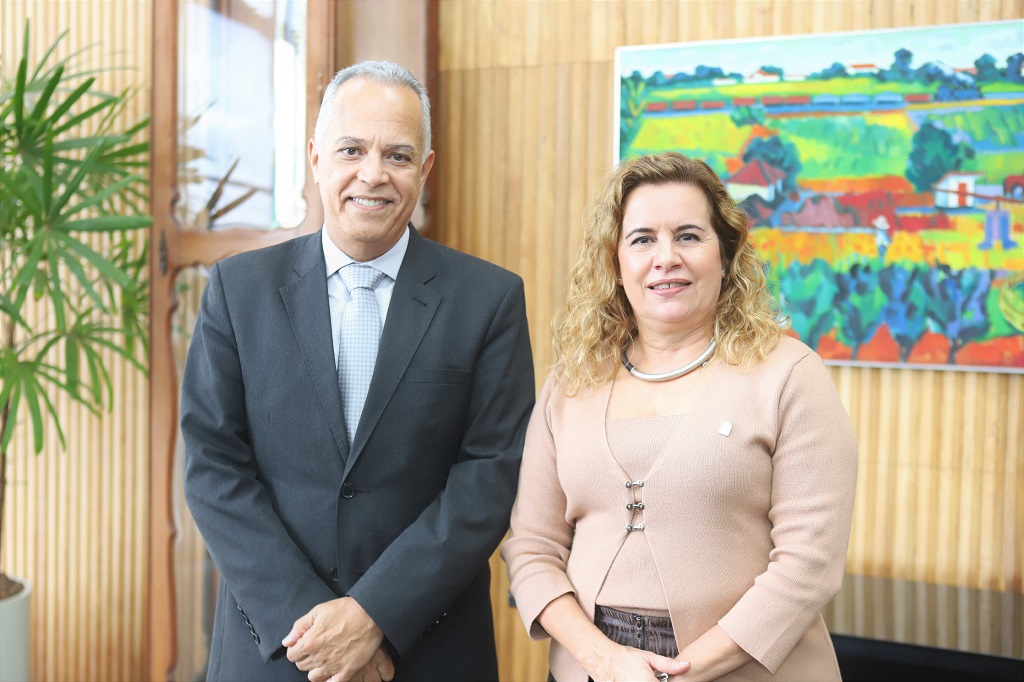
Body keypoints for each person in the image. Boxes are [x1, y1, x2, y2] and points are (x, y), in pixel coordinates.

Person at [181, 60, 535, 682]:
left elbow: (491, 476)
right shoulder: (239, 290)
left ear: (424, 170)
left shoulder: (489, 299)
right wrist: (314, 624)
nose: (373, 174)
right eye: (352, 149)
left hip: (428, 649)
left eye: (398, 155)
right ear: (316, 156)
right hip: (275, 647)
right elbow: (214, 466)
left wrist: (375, 616)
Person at [501, 152, 858, 682]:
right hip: (592, 669)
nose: (665, 257)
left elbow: (809, 567)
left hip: (743, 669)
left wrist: (675, 674)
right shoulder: (570, 383)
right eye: (642, 239)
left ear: (726, 254)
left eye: (689, 236)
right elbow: (531, 549)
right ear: (615, 263)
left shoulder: (790, 375)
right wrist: (604, 660)